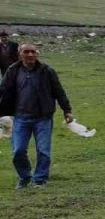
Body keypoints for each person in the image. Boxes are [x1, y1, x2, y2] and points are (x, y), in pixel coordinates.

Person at [0, 43, 74, 189]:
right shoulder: (13, 71)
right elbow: (3, 89)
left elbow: (59, 91)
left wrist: (67, 110)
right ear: (20, 54)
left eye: (33, 52)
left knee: (43, 151)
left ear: (37, 54)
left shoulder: (47, 71)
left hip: (43, 117)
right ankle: (25, 177)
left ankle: (40, 180)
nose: (30, 55)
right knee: (18, 151)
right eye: (26, 52)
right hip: (20, 117)